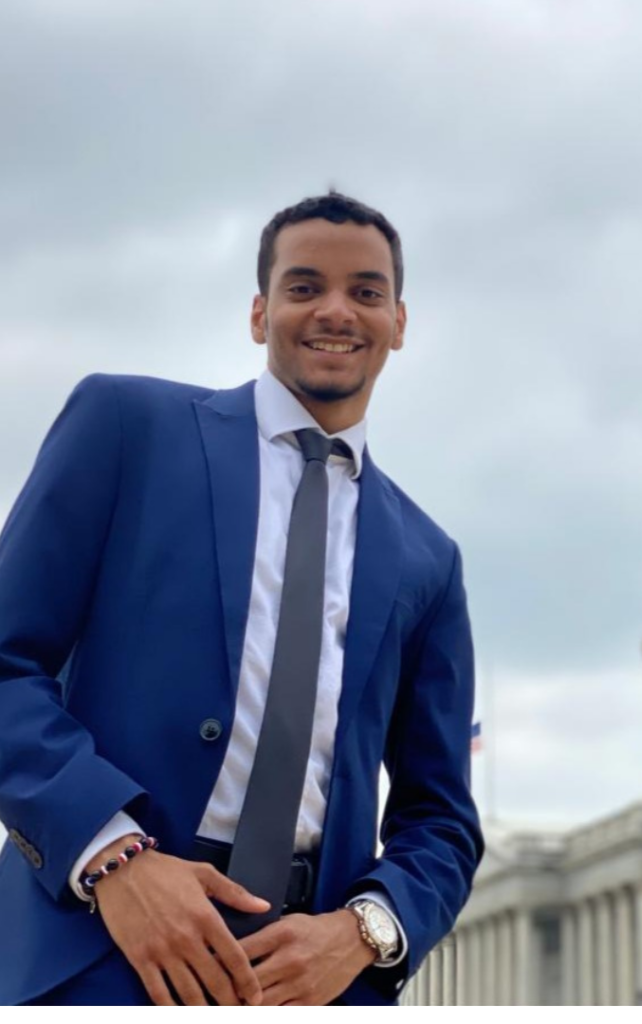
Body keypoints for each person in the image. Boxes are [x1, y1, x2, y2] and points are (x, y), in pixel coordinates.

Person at [0, 192, 484, 1005]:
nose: (336, 310)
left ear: (399, 322)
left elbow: (441, 816)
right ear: (259, 314)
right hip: (98, 946)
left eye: (366, 292)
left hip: (308, 977)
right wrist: (113, 856)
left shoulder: (427, 558)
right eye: (304, 287)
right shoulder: (128, 427)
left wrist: (361, 931)